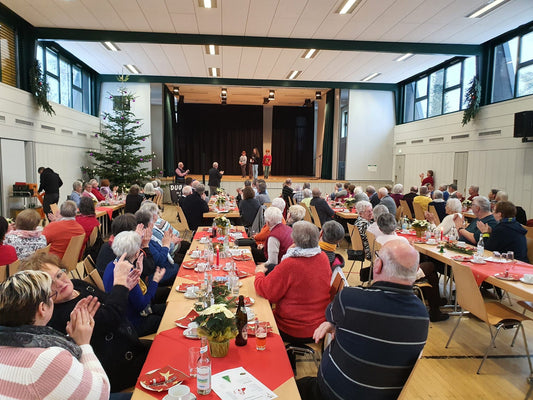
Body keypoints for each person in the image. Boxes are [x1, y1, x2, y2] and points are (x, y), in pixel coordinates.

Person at [296, 239, 429, 400]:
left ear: (378, 266)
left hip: (328, 394)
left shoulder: (350, 299)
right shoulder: (421, 316)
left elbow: (332, 313)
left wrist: (332, 323)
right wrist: (334, 324)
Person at [20, 252, 149, 393]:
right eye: (50, 284)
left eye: (59, 275)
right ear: (41, 294)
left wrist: (124, 288)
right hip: (117, 369)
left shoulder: (76, 285)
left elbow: (106, 301)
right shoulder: (61, 314)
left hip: (130, 345)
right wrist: (119, 284)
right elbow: (110, 318)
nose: (60, 283)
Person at [0, 270, 110, 399]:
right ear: (42, 308)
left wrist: (71, 338)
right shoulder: (46, 359)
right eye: (51, 296)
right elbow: (102, 394)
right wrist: (83, 344)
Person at [255, 221, 331, 342]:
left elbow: (266, 291)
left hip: (294, 327)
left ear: (294, 240)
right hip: (319, 323)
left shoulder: (291, 263)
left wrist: (259, 273)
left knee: (256, 317)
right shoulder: (323, 257)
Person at [376, 213, 449, 322]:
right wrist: (413, 248)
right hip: (400, 275)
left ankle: (431, 299)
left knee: (427, 265)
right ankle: (434, 309)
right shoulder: (400, 240)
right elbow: (413, 262)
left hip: (384, 272)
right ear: (395, 225)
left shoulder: (377, 239)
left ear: (379, 227)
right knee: (431, 267)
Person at [103, 231, 167, 337]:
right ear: (137, 253)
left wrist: (139, 272)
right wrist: (155, 281)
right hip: (131, 324)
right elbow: (142, 305)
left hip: (123, 317)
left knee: (166, 308)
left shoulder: (111, 265)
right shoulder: (128, 272)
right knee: (166, 319)